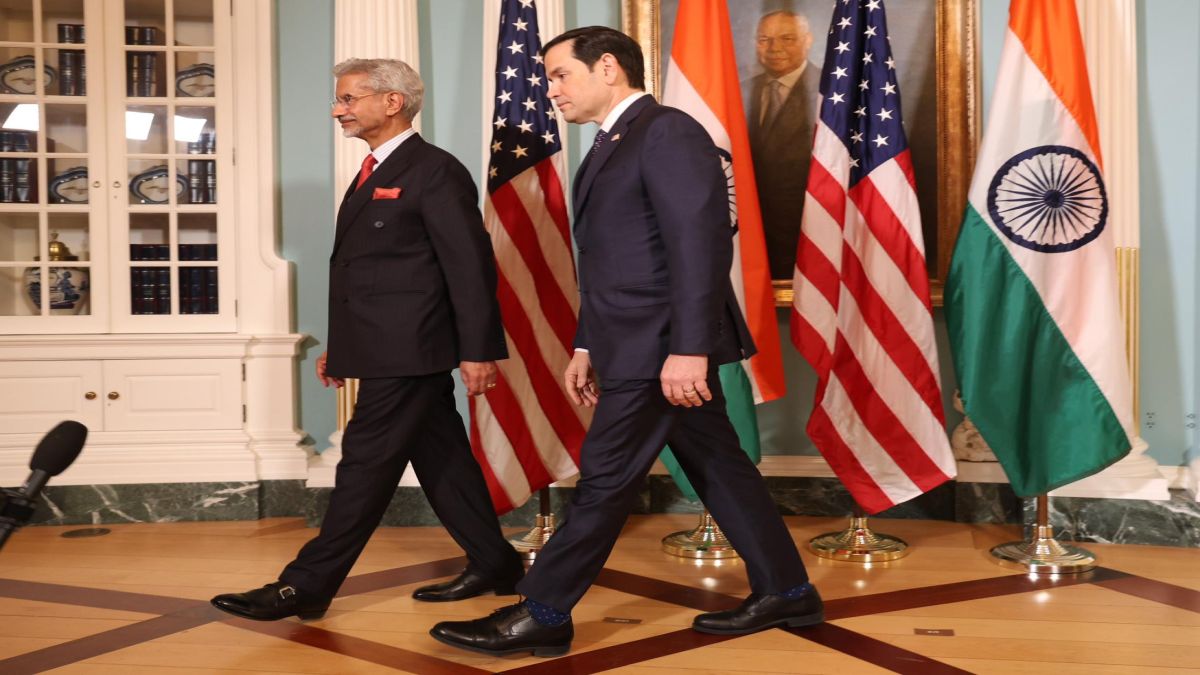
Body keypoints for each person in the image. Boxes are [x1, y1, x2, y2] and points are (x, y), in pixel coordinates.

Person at [430, 27, 822, 658]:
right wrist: (587, 344)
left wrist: (689, 349)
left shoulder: (667, 132)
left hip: (660, 348)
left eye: (560, 75)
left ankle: (543, 611)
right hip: (634, 342)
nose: (551, 90)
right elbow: (614, 262)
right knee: (720, 468)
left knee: (606, 477)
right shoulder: (612, 142)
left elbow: (698, 246)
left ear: (608, 67)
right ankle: (788, 589)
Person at [210, 58, 523, 622]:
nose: (338, 110)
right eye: (339, 100)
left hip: (412, 351)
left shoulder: (435, 170)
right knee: (443, 460)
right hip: (386, 347)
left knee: (363, 466)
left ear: (392, 102)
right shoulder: (373, 171)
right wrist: (344, 346)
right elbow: (369, 274)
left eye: (349, 99)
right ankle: (496, 563)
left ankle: (305, 585)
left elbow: (469, 267)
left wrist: (478, 350)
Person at [745, 10, 820, 279]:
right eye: (764, 39)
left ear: (808, 40)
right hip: (749, 232)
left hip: (810, 232)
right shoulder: (740, 91)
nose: (774, 48)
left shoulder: (832, 92)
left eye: (787, 38)